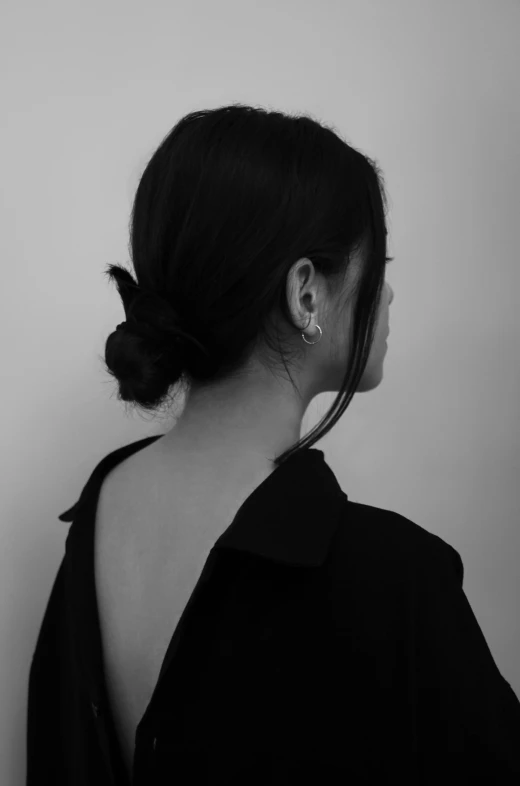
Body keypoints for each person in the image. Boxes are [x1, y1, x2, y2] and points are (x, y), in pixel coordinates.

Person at [26, 103, 520, 785]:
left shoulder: (93, 525)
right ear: (306, 294)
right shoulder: (396, 581)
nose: (391, 291)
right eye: (379, 264)